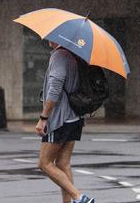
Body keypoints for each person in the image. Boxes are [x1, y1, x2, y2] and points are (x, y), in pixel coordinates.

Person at [36, 41, 95, 203]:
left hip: (60, 119)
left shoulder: (59, 55)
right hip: (75, 117)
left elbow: (54, 88)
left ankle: (79, 197)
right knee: (63, 163)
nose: (48, 38)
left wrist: (44, 118)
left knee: (44, 163)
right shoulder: (75, 56)